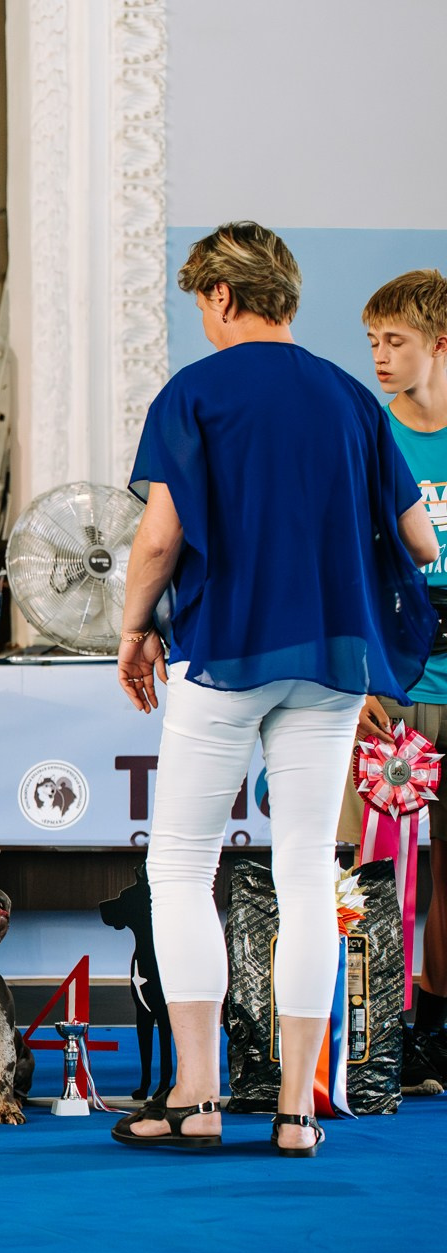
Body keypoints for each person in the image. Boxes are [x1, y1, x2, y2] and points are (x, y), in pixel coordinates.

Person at [115, 223, 438, 1156]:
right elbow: (420, 543)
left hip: (226, 652)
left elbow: (158, 540)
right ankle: (298, 1110)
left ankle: (200, 1095)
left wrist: (135, 628)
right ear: (287, 296)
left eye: (201, 304)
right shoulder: (349, 398)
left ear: (221, 296)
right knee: (305, 871)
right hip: (335, 660)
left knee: (180, 866)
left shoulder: (196, 391)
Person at [338, 268, 447, 1089]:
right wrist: (368, 670)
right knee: (380, 862)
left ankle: (440, 1019)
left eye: (395, 342)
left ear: (438, 346)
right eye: (372, 340)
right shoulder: (371, 432)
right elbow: (350, 560)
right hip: (399, 676)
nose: (378, 356)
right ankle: (382, 1024)